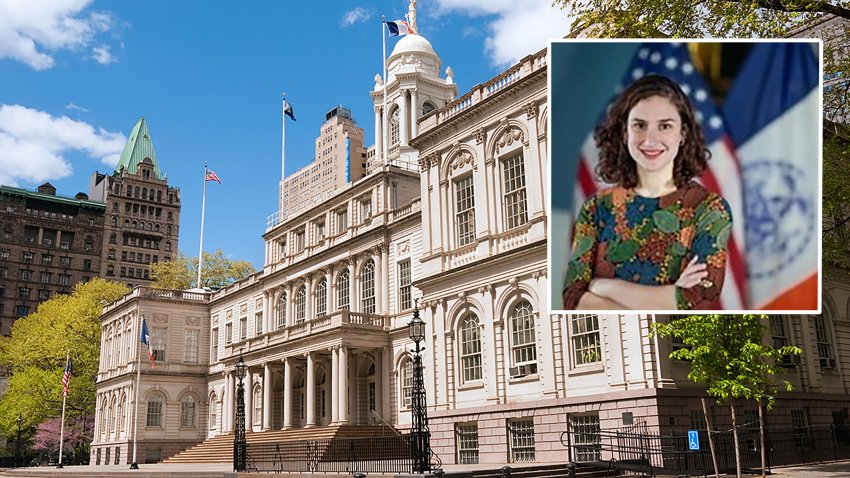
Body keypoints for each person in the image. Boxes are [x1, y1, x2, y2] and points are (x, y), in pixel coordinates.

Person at [562, 74, 732, 310]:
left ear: (682, 133)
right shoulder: (596, 208)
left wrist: (604, 287)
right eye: (639, 125)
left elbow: (698, 296)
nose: (650, 139)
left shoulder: (709, 209)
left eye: (665, 126)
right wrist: (668, 297)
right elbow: (573, 297)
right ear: (625, 132)